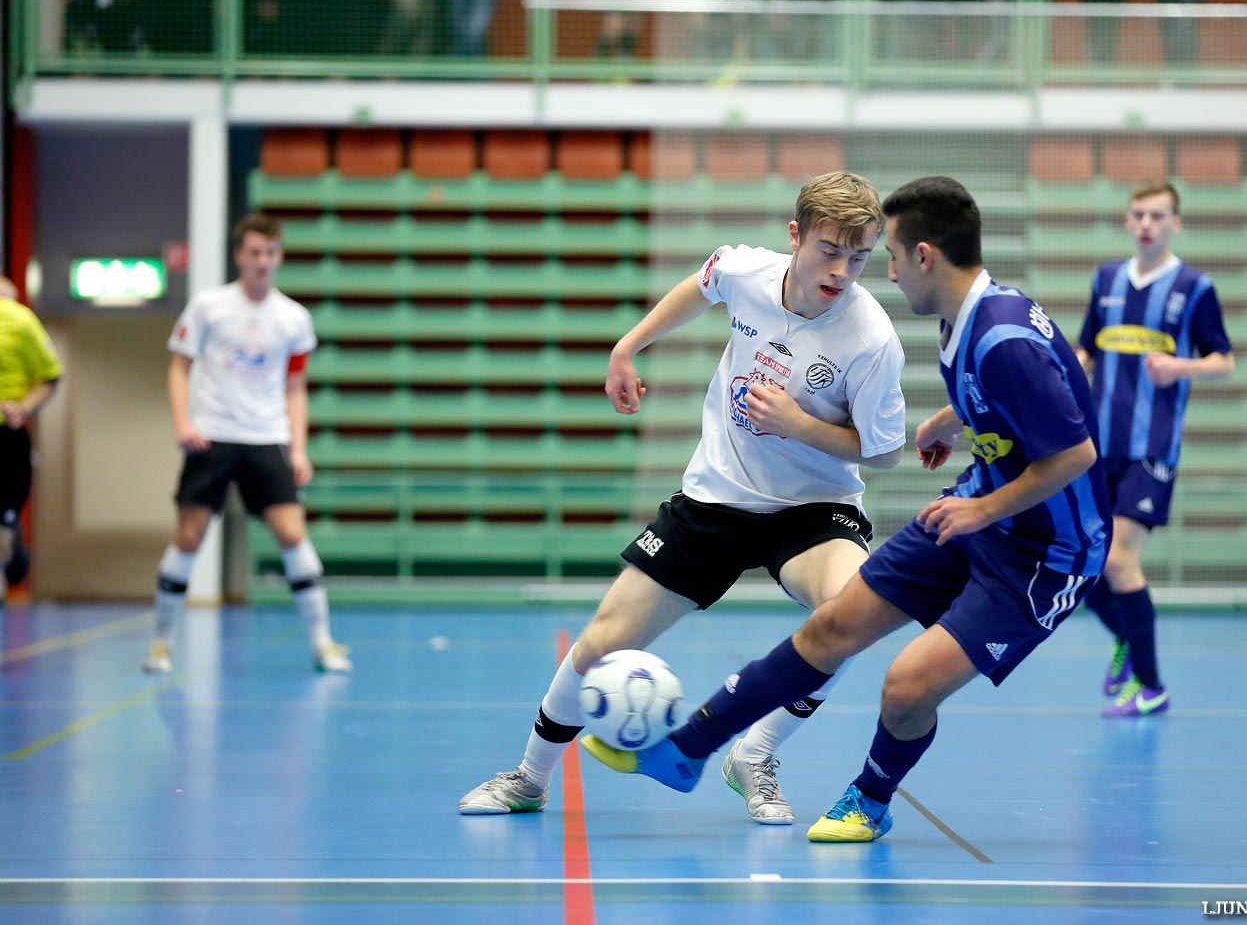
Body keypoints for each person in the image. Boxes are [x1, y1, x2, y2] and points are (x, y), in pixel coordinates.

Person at [581, 175, 1111, 845]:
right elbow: (1049, 388)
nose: (879, 270)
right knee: (836, 622)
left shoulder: (999, 335)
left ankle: (871, 797)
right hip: (981, 510)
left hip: (1044, 553)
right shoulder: (971, 315)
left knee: (907, 685)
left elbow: (1076, 453)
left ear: (925, 256)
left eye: (886, 253)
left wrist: (982, 511)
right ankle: (687, 752)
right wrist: (953, 420)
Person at [457, 171, 906, 824]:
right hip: (716, 497)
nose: (843, 269)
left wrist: (800, 425)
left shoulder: (871, 338)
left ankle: (754, 755)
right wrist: (628, 347)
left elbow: (886, 449)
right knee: (600, 643)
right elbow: (701, 286)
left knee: (849, 614)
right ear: (795, 236)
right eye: (830, 250)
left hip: (813, 508)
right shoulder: (747, 271)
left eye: (859, 256)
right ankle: (529, 777)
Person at [142, 213, 352, 675]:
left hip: (267, 437)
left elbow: (296, 387)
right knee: (189, 537)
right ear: (240, 255)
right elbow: (179, 368)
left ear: (279, 257)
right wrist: (183, 423)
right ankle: (161, 643)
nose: (262, 262)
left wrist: (298, 449)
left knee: (293, 535)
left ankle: (323, 642)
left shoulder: (293, 318)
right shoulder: (208, 306)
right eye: (254, 252)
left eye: (270, 253)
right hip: (213, 436)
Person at [1074, 181, 1234, 717]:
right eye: (1139, 214)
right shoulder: (1106, 280)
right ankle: (1127, 638)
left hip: (1152, 450)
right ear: (1127, 220)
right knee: (1086, 564)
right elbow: (1087, 350)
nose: (1147, 223)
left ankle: (1151, 686)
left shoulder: (1194, 288)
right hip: (1098, 449)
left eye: (1158, 216)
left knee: (1120, 560)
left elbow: (1224, 361)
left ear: (1175, 224)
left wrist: (1182, 367)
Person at [1, 276, 63, 589]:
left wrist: (22, 408)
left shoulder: (18, 320)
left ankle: (10, 542)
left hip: (6, 438)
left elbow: (50, 376)